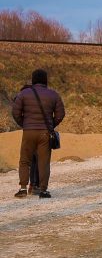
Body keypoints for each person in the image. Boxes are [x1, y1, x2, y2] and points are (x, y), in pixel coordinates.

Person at [11, 69, 65, 198]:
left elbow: (15, 112)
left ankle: (23, 188)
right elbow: (60, 114)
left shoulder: (24, 94)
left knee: (25, 160)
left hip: (28, 131)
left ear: (33, 80)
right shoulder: (53, 95)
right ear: (45, 80)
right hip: (45, 133)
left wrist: (24, 124)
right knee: (43, 162)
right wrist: (51, 125)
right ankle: (43, 190)